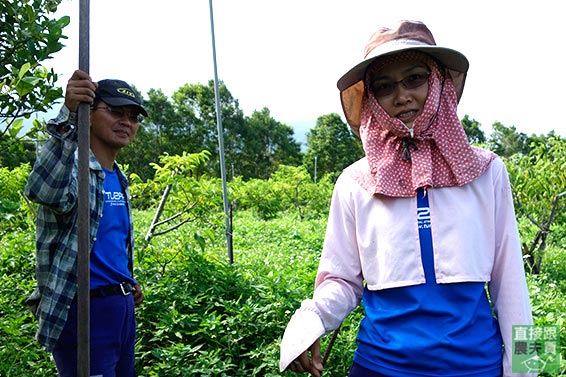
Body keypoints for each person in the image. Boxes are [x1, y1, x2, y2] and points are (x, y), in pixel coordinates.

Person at [279, 20, 534, 377]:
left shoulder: (487, 171)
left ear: (439, 81)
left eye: (415, 78)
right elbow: (342, 280)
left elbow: (512, 282)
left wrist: (529, 368)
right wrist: (310, 318)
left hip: (475, 366)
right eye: (384, 87)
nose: (401, 96)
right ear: (372, 98)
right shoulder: (356, 182)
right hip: (380, 366)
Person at [25, 70, 146, 376]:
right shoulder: (75, 170)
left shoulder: (119, 178)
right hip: (83, 310)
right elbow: (41, 188)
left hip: (120, 309)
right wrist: (68, 113)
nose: (126, 122)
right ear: (88, 115)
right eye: (116, 111)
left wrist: (125, 282)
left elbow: (110, 242)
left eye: (133, 116)